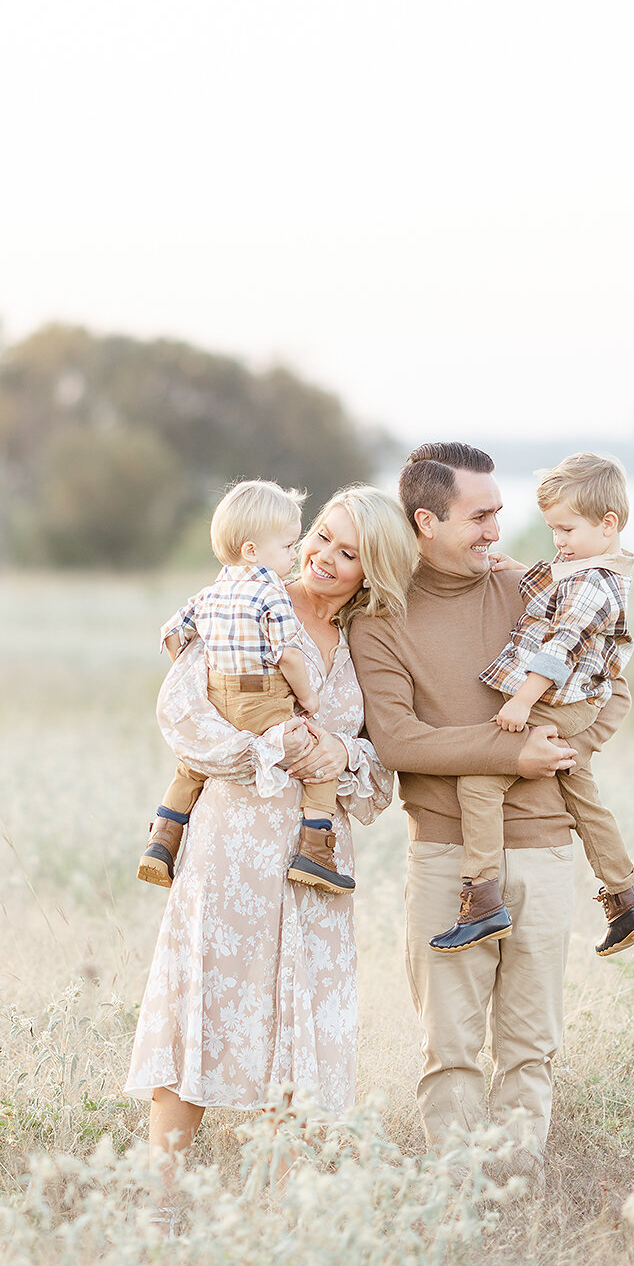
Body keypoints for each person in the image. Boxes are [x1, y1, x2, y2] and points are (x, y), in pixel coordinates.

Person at [349, 443, 631, 1157]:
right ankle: (457, 1203)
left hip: (543, 849)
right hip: (446, 857)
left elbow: (611, 686)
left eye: (498, 515)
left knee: (531, 1048)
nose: (495, 533)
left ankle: (514, 1203)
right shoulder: (379, 619)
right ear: (425, 521)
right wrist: (513, 754)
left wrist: (562, 753)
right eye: (480, 517)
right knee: (450, 1049)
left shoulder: (533, 589)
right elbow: (399, 741)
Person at [125, 486, 418, 1162]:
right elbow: (183, 717)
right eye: (321, 537)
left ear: (371, 570)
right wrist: (270, 748)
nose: (323, 558)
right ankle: (161, 1197)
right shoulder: (249, 602)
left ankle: (291, 1204)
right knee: (201, 1008)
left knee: (305, 1026)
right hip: (230, 849)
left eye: (349, 554)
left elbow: (380, 778)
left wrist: (343, 751)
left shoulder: (369, 645)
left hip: (314, 861)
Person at [431, 452, 634, 960]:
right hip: (573, 700)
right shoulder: (588, 567)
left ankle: (482, 897)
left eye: (566, 530)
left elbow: (559, 648)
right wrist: (519, 567)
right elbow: (548, 585)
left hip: (557, 701)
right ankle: (625, 900)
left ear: (608, 523)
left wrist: (521, 703)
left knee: (479, 780)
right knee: (583, 795)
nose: (559, 542)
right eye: (554, 530)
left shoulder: (592, 584)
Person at [138, 479, 347, 897]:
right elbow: (288, 654)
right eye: (288, 546)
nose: (294, 554)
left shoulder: (211, 592)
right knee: (317, 761)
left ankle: (161, 843)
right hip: (262, 696)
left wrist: (209, 670)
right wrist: (307, 697)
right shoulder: (272, 595)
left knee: (190, 769)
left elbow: (172, 634)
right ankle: (315, 852)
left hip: (218, 696)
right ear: (253, 551)